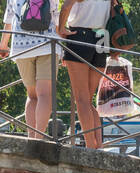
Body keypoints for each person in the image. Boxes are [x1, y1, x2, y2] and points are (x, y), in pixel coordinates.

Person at [0, 0, 63, 140]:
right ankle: (38, 139)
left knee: (32, 95)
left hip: (21, 47)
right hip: (48, 45)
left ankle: (30, 137)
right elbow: (57, 18)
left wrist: (3, 45)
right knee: (45, 95)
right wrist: (63, 48)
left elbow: (9, 19)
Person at [58, 0, 112, 149]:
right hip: (103, 38)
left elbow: (66, 6)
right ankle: (98, 146)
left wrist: (61, 28)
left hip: (80, 36)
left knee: (81, 99)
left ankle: (90, 148)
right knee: (87, 99)